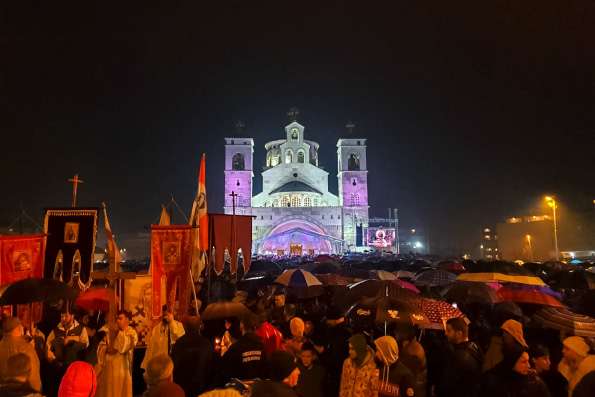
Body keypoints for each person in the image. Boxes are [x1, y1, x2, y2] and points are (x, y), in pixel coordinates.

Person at [436, 317, 483, 397]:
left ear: (459, 334)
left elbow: (448, 384)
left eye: (449, 331)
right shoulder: (475, 347)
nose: (446, 333)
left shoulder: (458, 357)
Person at [95, 310, 138, 397]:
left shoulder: (132, 332)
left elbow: (125, 346)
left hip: (122, 371)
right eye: (116, 319)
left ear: (127, 320)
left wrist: (118, 332)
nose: (117, 321)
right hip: (108, 370)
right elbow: (100, 347)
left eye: (120, 318)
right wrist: (106, 349)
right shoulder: (107, 331)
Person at [480, 346, 551, 397]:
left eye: (528, 361)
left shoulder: (532, 381)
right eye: (523, 362)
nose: (529, 365)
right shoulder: (494, 380)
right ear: (512, 363)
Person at [171, 315, 214, 396]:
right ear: (199, 327)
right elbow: (210, 365)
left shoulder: (179, 344)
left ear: (185, 327)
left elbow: (174, 365)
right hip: (202, 386)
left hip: (183, 386)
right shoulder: (206, 343)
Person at [218, 314, 267, 385]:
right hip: (258, 389)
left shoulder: (236, 347)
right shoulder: (262, 346)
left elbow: (224, 370)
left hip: (240, 390)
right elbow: (265, 370)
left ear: (241, 325)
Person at [0, 317, 42, 393]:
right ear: (17, 328)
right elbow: (34, 377)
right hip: (23, 392)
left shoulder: (1, 346)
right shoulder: (26, 347)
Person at [141, 305, 185, 370]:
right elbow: (151, 348)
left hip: (174, 362)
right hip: (160, 363)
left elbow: (178, 337)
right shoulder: (157, 329)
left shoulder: (179, 325)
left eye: (168, 314)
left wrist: (171, 322)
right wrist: (147, 364)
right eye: (164, 314)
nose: (166, 317)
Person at [324, 306, 352, 396]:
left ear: (334, 320)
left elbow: (336, 358)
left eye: (328, 320)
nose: (326, 322)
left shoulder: (340, 334)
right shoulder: (345, 330)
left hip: (338, 376)